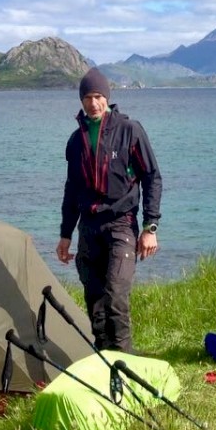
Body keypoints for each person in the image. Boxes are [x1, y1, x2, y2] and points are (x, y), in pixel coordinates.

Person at [56, 67, 162, 353]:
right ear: (81, 100)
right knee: (95, 301)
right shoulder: (75, 142)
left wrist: (150, 227)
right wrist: (65, 235)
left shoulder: (130, 131)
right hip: (88, 227)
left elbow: (152, 177)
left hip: (121, 224)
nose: (93, 103)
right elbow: (71, 191)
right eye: (87, 97)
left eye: (98, 96)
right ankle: (104, 358)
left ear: (107, 97)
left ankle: (124, 364)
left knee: (115, 295)